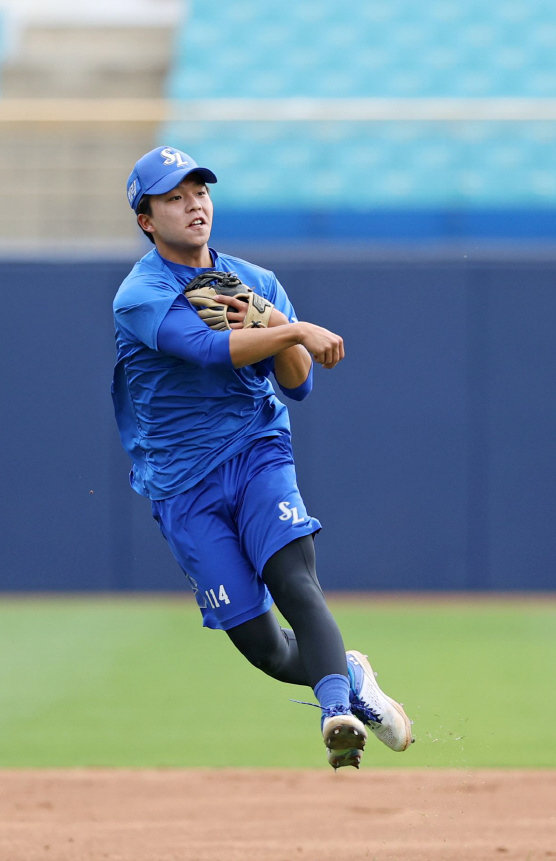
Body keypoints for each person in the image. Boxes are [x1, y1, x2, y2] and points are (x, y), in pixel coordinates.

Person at [112, 145, 414, 769]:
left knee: (293, 578)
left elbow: (298, 382)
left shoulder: (257, 281)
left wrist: (274, 317)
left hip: (255, 451)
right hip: (181, 483)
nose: (193, 204)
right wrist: (293, 328)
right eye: (173, 197)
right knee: (267, 650)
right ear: (146, 218)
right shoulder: (139, 294)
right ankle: (351, 676)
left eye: (200, 191)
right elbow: (203, 349)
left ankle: (336, 712)